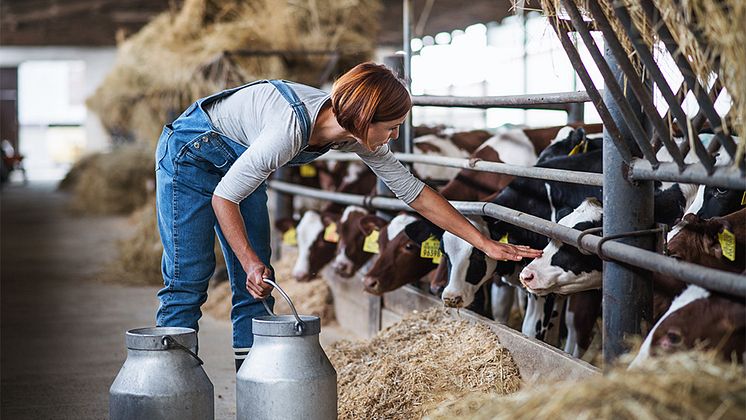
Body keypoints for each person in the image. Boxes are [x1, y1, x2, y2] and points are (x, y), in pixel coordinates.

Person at [154, 62, 542, 370]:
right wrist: (249, 259)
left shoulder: (355, 132)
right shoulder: (289, 129)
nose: (392, 137)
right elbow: (225, 198)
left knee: (258, 287)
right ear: (365, 117)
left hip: (240, 161)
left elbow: (416, 194)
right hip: (192, 154)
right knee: (190, 275)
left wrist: (484, 242)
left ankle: (256, 390)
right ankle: (168, 384)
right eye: (390, 128)